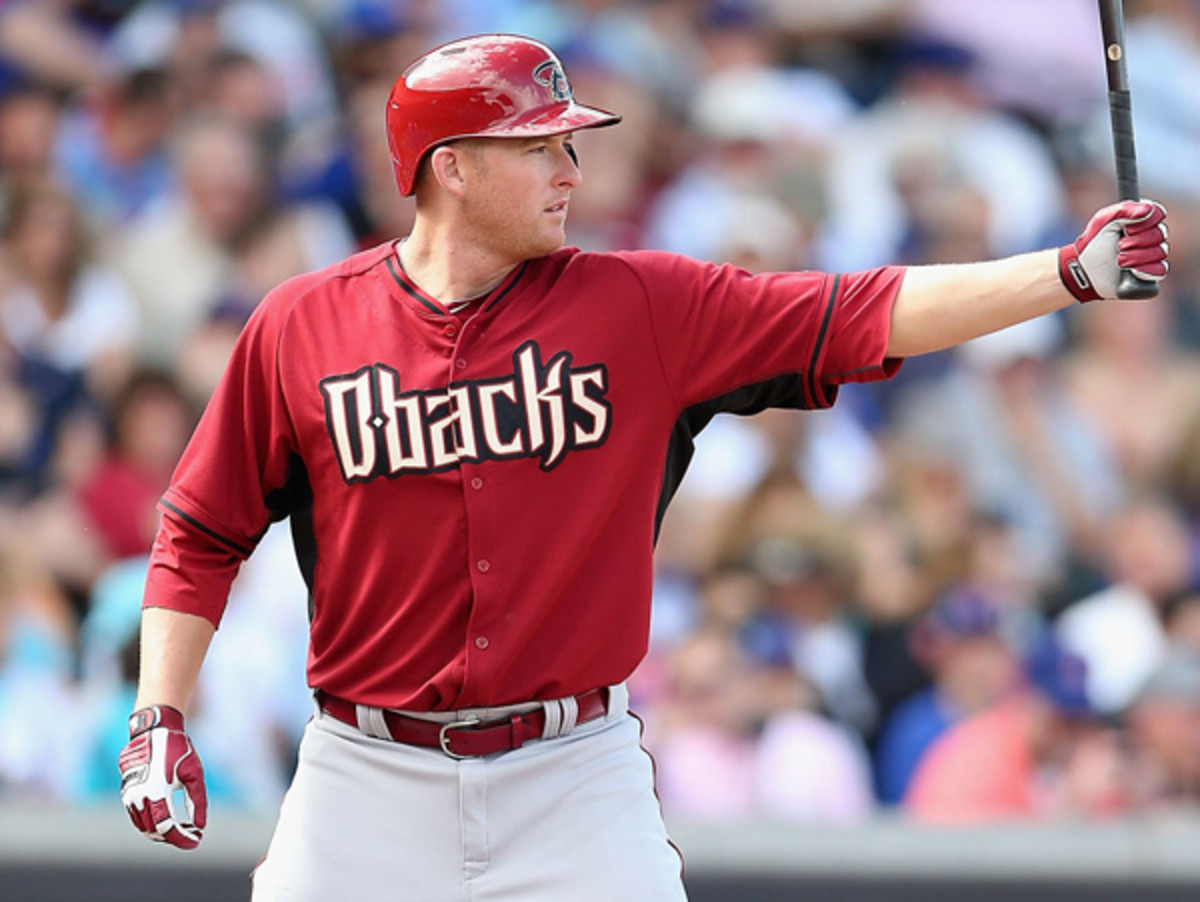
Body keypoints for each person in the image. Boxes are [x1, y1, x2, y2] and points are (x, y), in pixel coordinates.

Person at [116, 34, 1170, 901]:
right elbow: (202, 530)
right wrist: (159, 711)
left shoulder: (639, 306)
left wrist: (1065, 272)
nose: (572, 170)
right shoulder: (303, 324)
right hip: (367, 772)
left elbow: (863, 308)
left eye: (570, 145)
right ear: (452, 166)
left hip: (573, 772)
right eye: (540, 148)